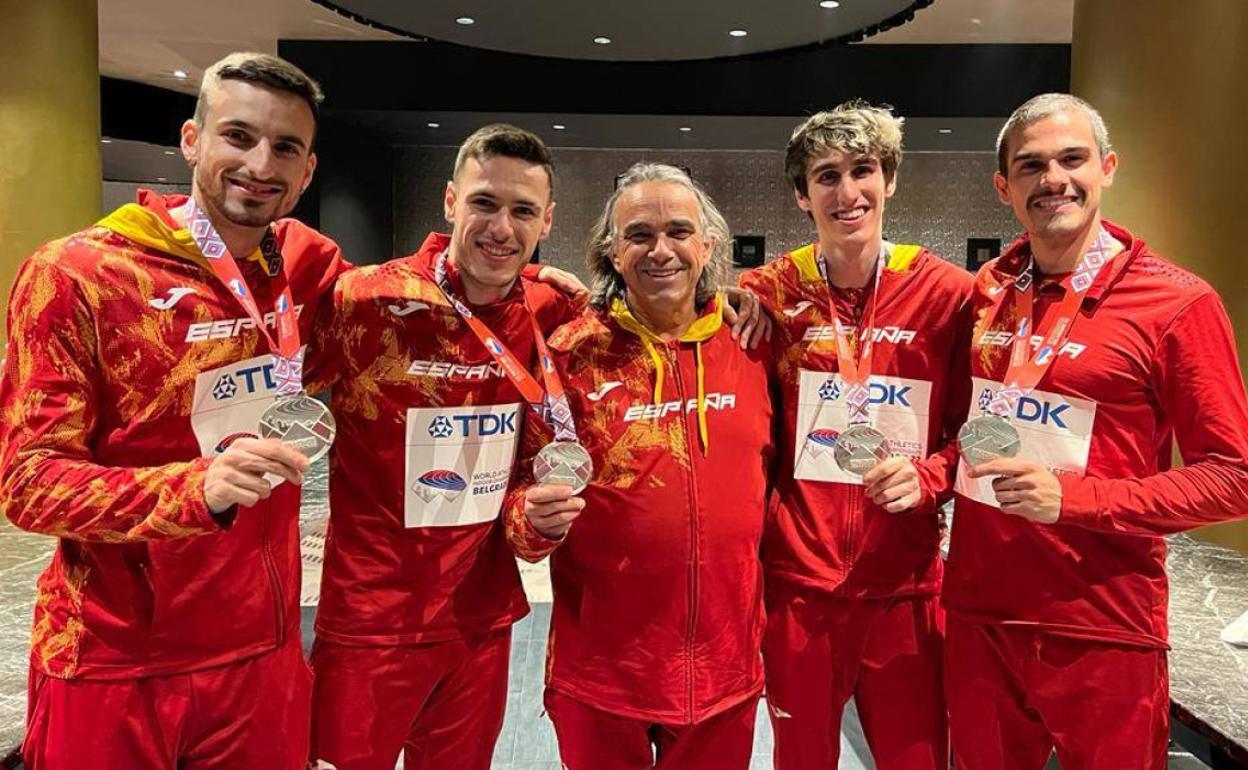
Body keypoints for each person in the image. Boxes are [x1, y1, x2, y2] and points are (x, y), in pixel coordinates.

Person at [0, 53, 349, 769]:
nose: (260, 163)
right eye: (238, 136)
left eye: (285, 147)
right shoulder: (78, 274)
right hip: (116, 659)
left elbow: (405, 306)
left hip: (263, 654)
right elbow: (29, 482)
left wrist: (540, 291)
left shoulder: (302, 265)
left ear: (307, 171)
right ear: (191, 141)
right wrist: (196, 488)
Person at [943, 92, 1248, 770]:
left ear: (1107, 167)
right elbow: (967, 433)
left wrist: (1076, 500)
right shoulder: (989, 291)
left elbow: (1234, 478)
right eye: (1031, 166)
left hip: (1103, 622)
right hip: (979, 616)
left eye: (1072, 159)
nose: (1054, 179)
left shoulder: (1177, 302)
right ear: (1005, 187)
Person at [503, 163, 774, 770]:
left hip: (724, 671)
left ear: (708, 246)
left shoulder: (754, 347)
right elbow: (520, 510)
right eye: (639, 234)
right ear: (612, 252)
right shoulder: (571, 356)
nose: (662, 250)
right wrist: (536, 520)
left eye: (680, 231)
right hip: (602, 674)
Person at [738, 101, 973, 769]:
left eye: (862, 170)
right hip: (800, 589)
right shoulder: (769, 293)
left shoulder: (947, 295)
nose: (847, 193)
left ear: (889, 179)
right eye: (826, 176)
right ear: (800, 195)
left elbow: (982, 431)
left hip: (905, 585)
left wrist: (930, 478)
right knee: (802, 758)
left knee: (917, 758)